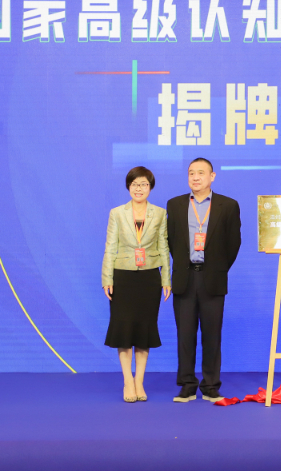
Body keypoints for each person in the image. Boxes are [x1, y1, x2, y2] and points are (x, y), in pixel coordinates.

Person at [166, 158, 241, 403]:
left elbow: (233, 244)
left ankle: (210, 386)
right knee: (185, 336)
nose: (195, 177)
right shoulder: (175, 204)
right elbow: (171, 241)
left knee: (212, 335)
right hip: (184, 278)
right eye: (191, 173)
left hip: (213, 279)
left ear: (212, 176)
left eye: (201, 173)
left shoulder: (228, 205)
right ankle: (187, 385)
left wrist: (217, 268)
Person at [101, 166, 171, 403]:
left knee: (144, 330)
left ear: (150, 187)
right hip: (123, 276)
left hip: (150, 277)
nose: (139, 189)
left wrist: (166, 278)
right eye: (134, 184)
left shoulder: (159, 213)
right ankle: (127, 381)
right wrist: (107, 278)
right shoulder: (117, 213)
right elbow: (110, 246)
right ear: (128, 187)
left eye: (143, 184)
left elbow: (164, 247)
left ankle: (139, 380)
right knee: (124, 330)